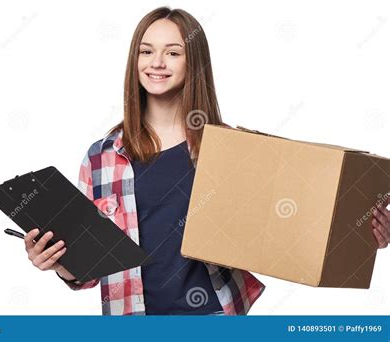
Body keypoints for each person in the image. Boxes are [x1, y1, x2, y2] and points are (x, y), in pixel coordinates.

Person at [23, 7, 390, 316]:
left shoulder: (231, 150)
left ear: (193, 61)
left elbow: (286, 225)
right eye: (146, 51)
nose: (157, 63)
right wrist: (59, 263)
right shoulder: (101, 156)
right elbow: (91, 270)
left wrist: (357, 233)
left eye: (173, 52)